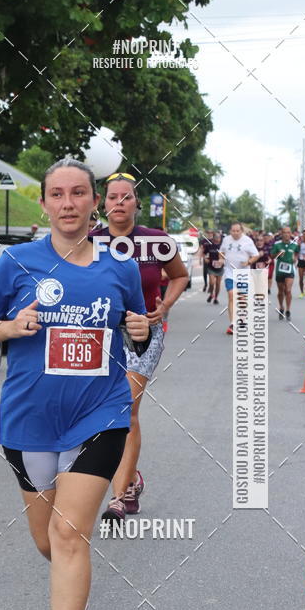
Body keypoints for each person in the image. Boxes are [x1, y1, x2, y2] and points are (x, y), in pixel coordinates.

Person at [0, 158, 150, 610]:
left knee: (70, 536)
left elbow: (138, 328)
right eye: (57, 194)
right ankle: (74, 578)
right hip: (29, 420)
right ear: (44, 203)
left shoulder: (120, 267)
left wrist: (141, 328)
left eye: (78, 193)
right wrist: (10, 326)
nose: (68, 203)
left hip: (100, 414)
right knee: (50, 542)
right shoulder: (17, 262)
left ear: (95, 202)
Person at [90, 172, 188, 523]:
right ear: (102, 203)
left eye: (126, 197)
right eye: (112, 196)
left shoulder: (156, 241)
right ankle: (131, 477)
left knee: (125, 409)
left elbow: (179, 275)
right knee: (99, 411)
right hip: (100, 333)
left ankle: (118, 498)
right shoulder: (89, 241)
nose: (119, 202)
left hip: (142, 330)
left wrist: (165, 305)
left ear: (137, 204)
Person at [219, 222, 259, 334]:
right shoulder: (226, 240)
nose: (235, 233)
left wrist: (248, 262)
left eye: (237, 231)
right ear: (230, 231)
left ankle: (242, 319)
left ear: (241, 231)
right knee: (231, 295)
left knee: (242, 299)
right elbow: (221, 251)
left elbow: (256, 255)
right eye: (233, 231)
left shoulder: (248, 241)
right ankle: (232, 324)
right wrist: (221, 259)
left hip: (243, 273)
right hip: (229, 272)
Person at [271, 225, 299, 320]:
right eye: (284, 232)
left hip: (290, 270)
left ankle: (288, 310)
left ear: (290, 234)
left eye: (288, 232)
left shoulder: (294, 244)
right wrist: (278, 254)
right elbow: (272, 256)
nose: (286, 234)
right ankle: (281, 307)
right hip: (279, 270)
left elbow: (297, 253)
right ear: (281, 234)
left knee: (288, 290)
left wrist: (295, 258)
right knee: (281, 291)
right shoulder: (277, 244)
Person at [204, 230, 224, 305]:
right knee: (212, 283)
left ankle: (215, 298)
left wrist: (222, 260)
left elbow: (226, 255)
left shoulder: (222, 246)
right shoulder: (209, 245)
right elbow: (205, 254)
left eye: (219, 237)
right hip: (211, 267)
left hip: (220, 267)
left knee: (218, 284)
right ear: (213, 237)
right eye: (216, 237)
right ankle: (211, 294)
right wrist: (205, 259)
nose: (217, 238)